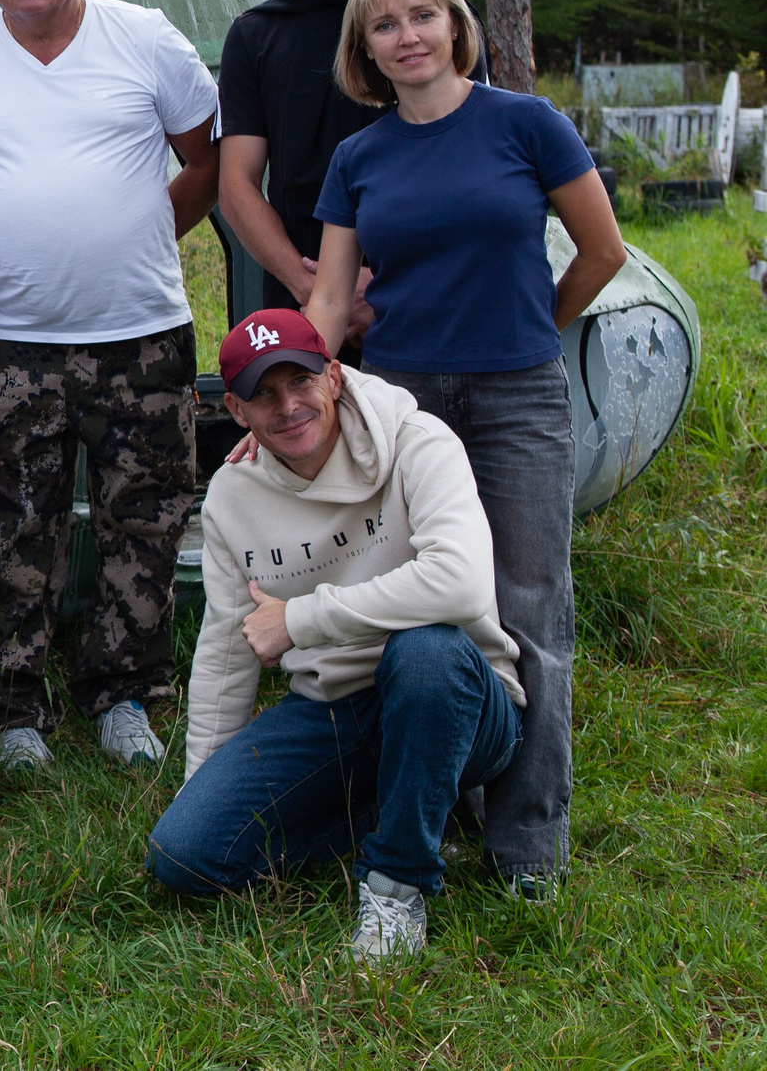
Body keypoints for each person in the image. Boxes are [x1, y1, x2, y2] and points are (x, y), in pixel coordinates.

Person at [304, 0, 624, 898]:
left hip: (519, 397)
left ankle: (527, 841)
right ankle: (431, 805)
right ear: (365, 48)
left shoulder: (527, 124)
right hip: (403, 401)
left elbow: (602, 250)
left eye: (421, 16)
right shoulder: (360, 158)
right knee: (420, 601)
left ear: (454, 24)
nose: (406, 36)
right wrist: (293, 391)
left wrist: (534, 327)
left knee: (528, 603)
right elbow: (331, 299)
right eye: (384, 24)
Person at [0, 0, 221, 776]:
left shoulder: (147, 38)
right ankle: (15, 705)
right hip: (13, 340)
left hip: (143, 333)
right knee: (18, 528)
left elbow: (208, 160)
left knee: (145, 520)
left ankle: (125, 694)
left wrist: (140, 234)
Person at [149, 311, 524, 963]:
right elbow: (227, 650)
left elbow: (460, 584)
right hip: (334, 708)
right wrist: (204, 787)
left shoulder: (418, 441)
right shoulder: (232, 498)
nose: (288, 406)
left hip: (459, 696)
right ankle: (413, 805)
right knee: (183, 854)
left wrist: (300, 619)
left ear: (334, 376)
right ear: (235, 409)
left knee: (425, 652)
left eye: (300, 381)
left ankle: (397, 884)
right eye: (263, 393)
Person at [218, 0, 398, 332]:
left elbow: (462, 170)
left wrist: (392, 288)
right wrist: (316, 290)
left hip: (421, 309)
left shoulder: (434, 24)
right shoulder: (255, 36)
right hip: (299, 312)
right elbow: (236, 186)